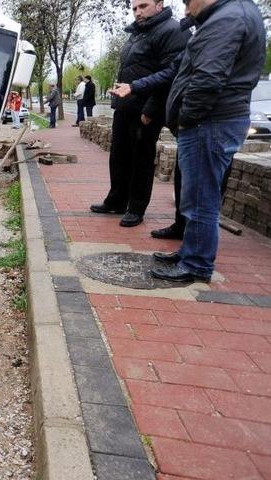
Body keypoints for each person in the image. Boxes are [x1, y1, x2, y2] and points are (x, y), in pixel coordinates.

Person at [150, 0, 266, 283]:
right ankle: (190, 252)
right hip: (213, 120)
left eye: (188, 2)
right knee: (196, 196)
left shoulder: (228, 19)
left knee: (201, 198)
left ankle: (197, 263)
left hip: (209, 122)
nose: (186, 9)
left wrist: (186, 117)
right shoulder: (235, 13)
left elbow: (208, 77)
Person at [89, 0, 189, 228]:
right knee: (119, 156)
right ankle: (117, 200)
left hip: (145, 110)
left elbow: (170, 75)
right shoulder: (138, 33)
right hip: (125, 106)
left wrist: (151, 110)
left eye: (143, 6)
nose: (138, 12)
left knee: (140, 160)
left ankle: (136, 207)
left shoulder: (172, 30)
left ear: (159, 4)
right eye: (134, 8)